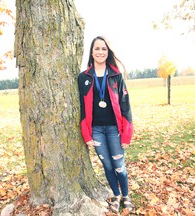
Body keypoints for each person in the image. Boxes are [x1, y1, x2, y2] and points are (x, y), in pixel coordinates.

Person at [78, 36, 134, 213]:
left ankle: (126, 196)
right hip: (96, 131)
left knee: (119, 166)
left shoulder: (116, 76)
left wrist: (127, 135)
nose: (100, 52)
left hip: (114, 130)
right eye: (97, 48)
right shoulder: (84, 77)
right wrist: (86, 135)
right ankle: (116, 196)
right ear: (92, 52)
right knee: (107, 166)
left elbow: (126, 106)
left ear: (108, 51)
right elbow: (81, 108)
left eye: (103, 49)